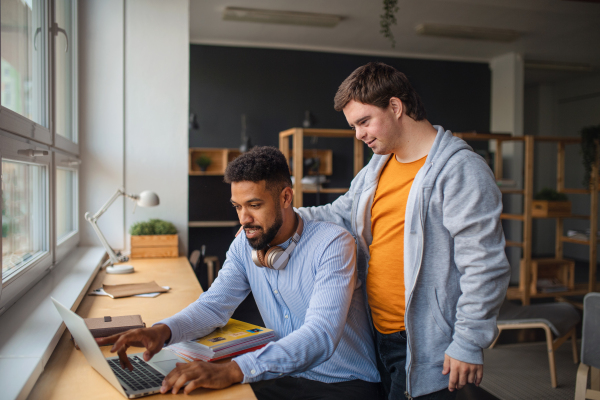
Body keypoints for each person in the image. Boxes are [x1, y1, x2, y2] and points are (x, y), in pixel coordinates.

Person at [296, 62, 511, 399]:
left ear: (395, 106)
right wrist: (283, 217)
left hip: (427, 340)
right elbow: (340, 213)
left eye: (364, 122)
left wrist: (468, 341)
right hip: (378, 331)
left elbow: (485, 265)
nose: (359, 135)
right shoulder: (379, 165)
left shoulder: (459, 169)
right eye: (354, 126)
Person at [97, 146, 380, 399]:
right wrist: (163, 331)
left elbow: (320, 335)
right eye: (238, 207)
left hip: (345, 385)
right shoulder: (244, 243)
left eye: (255, 205)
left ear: (285, 197)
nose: (244, 219)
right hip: (285, 375)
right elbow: (213, 306)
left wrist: (233, 371)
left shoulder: (333, 243)